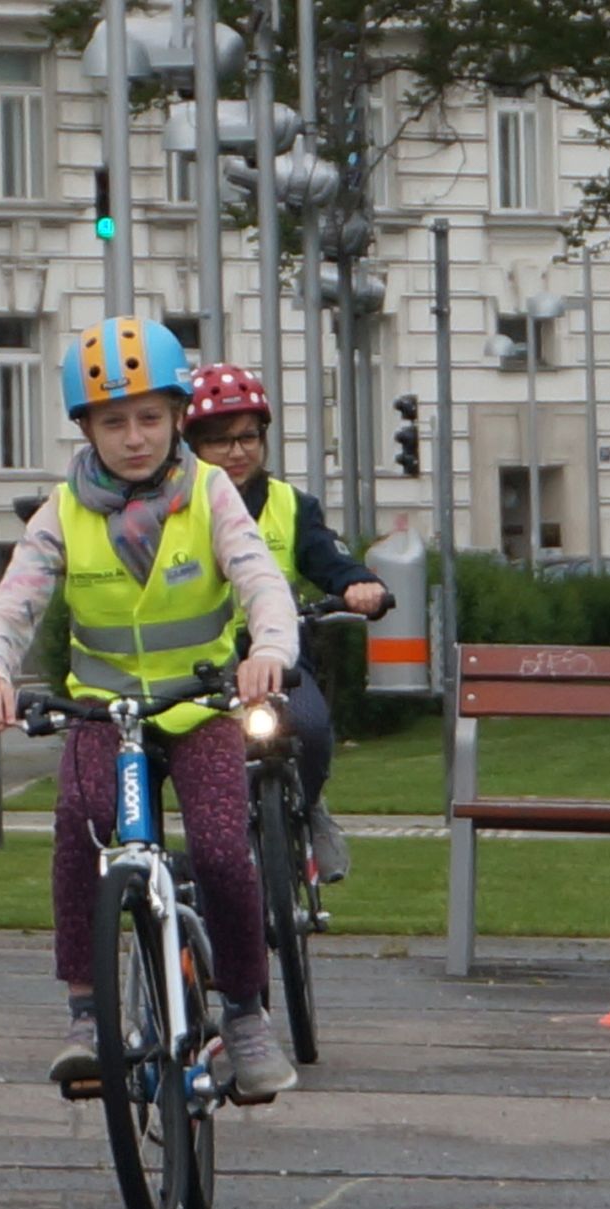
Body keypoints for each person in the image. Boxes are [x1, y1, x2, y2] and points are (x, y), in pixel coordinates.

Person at [0, 317, 301, 1100]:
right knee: (79, 829)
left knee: (221, 850)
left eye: (151, 417)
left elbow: (259, 578)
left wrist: (268, 651)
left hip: (198, 711)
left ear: (178, 416)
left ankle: (246, 1015)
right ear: (84, 428)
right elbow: (16, 601)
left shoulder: (211, 493)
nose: (135, 437)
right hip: (104, 719)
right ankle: (88, 1015)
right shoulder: (61, 511)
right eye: (113, 422)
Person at [182, 362, 386, 882]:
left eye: (248, 436)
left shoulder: (292, 506)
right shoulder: (177, 509)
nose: (237, 451)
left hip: (279, 659)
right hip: (204, 661)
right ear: (192, 448)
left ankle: (309, 808)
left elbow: (330, 560)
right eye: (220, 441)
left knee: (311, 728)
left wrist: (358, 585)